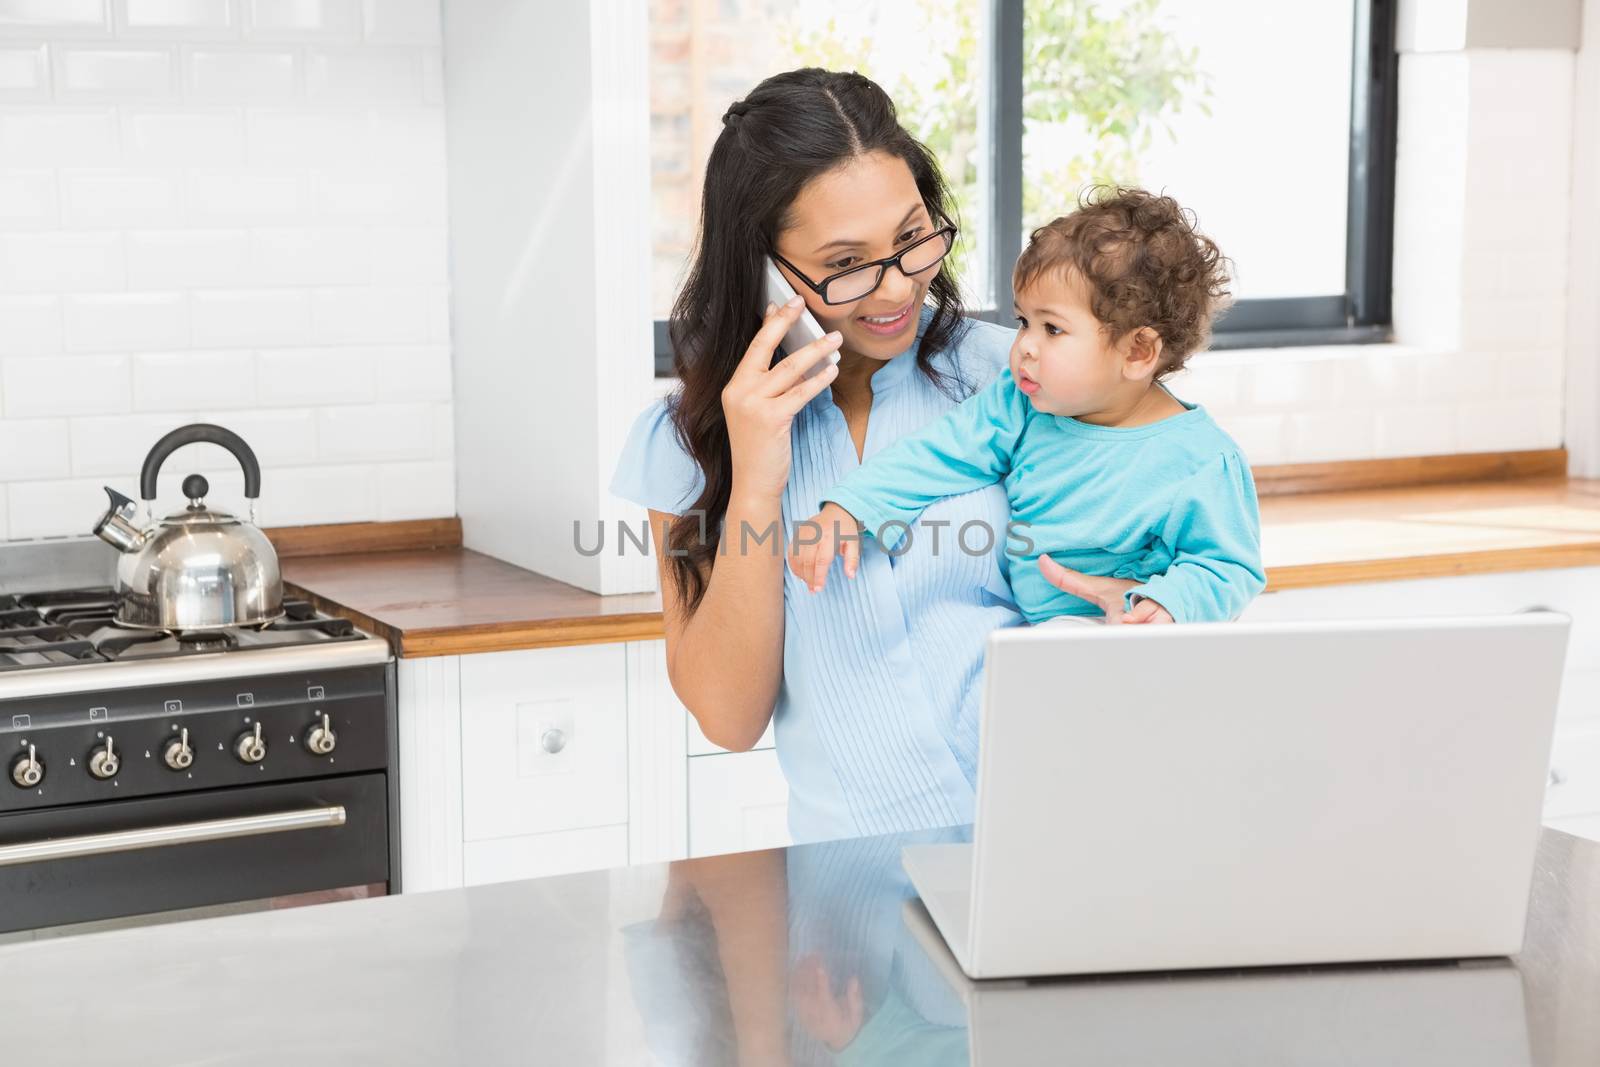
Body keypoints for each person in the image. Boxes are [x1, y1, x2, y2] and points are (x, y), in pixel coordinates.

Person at [611, 68, 1157, 845]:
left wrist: (1137, 597)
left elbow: (1156, 549)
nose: (898, 287)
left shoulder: (1019, 379)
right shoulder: (686, 440)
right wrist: (758, 483)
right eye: (845, 264)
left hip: (1058, 837)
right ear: (761, 267)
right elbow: (729, 717)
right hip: (852, 886)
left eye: (911, 238)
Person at [789, 187, 1266, 626]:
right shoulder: (1021, 405)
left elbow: (1229, 567)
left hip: (1135, 643)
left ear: (1138, 352)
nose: (1024, 348)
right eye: (1024, 322)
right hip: (1041, 639)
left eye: (1052, 329)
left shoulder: (1202, 461)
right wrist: (852, 506)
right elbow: (938, 452)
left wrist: (1165, 603)